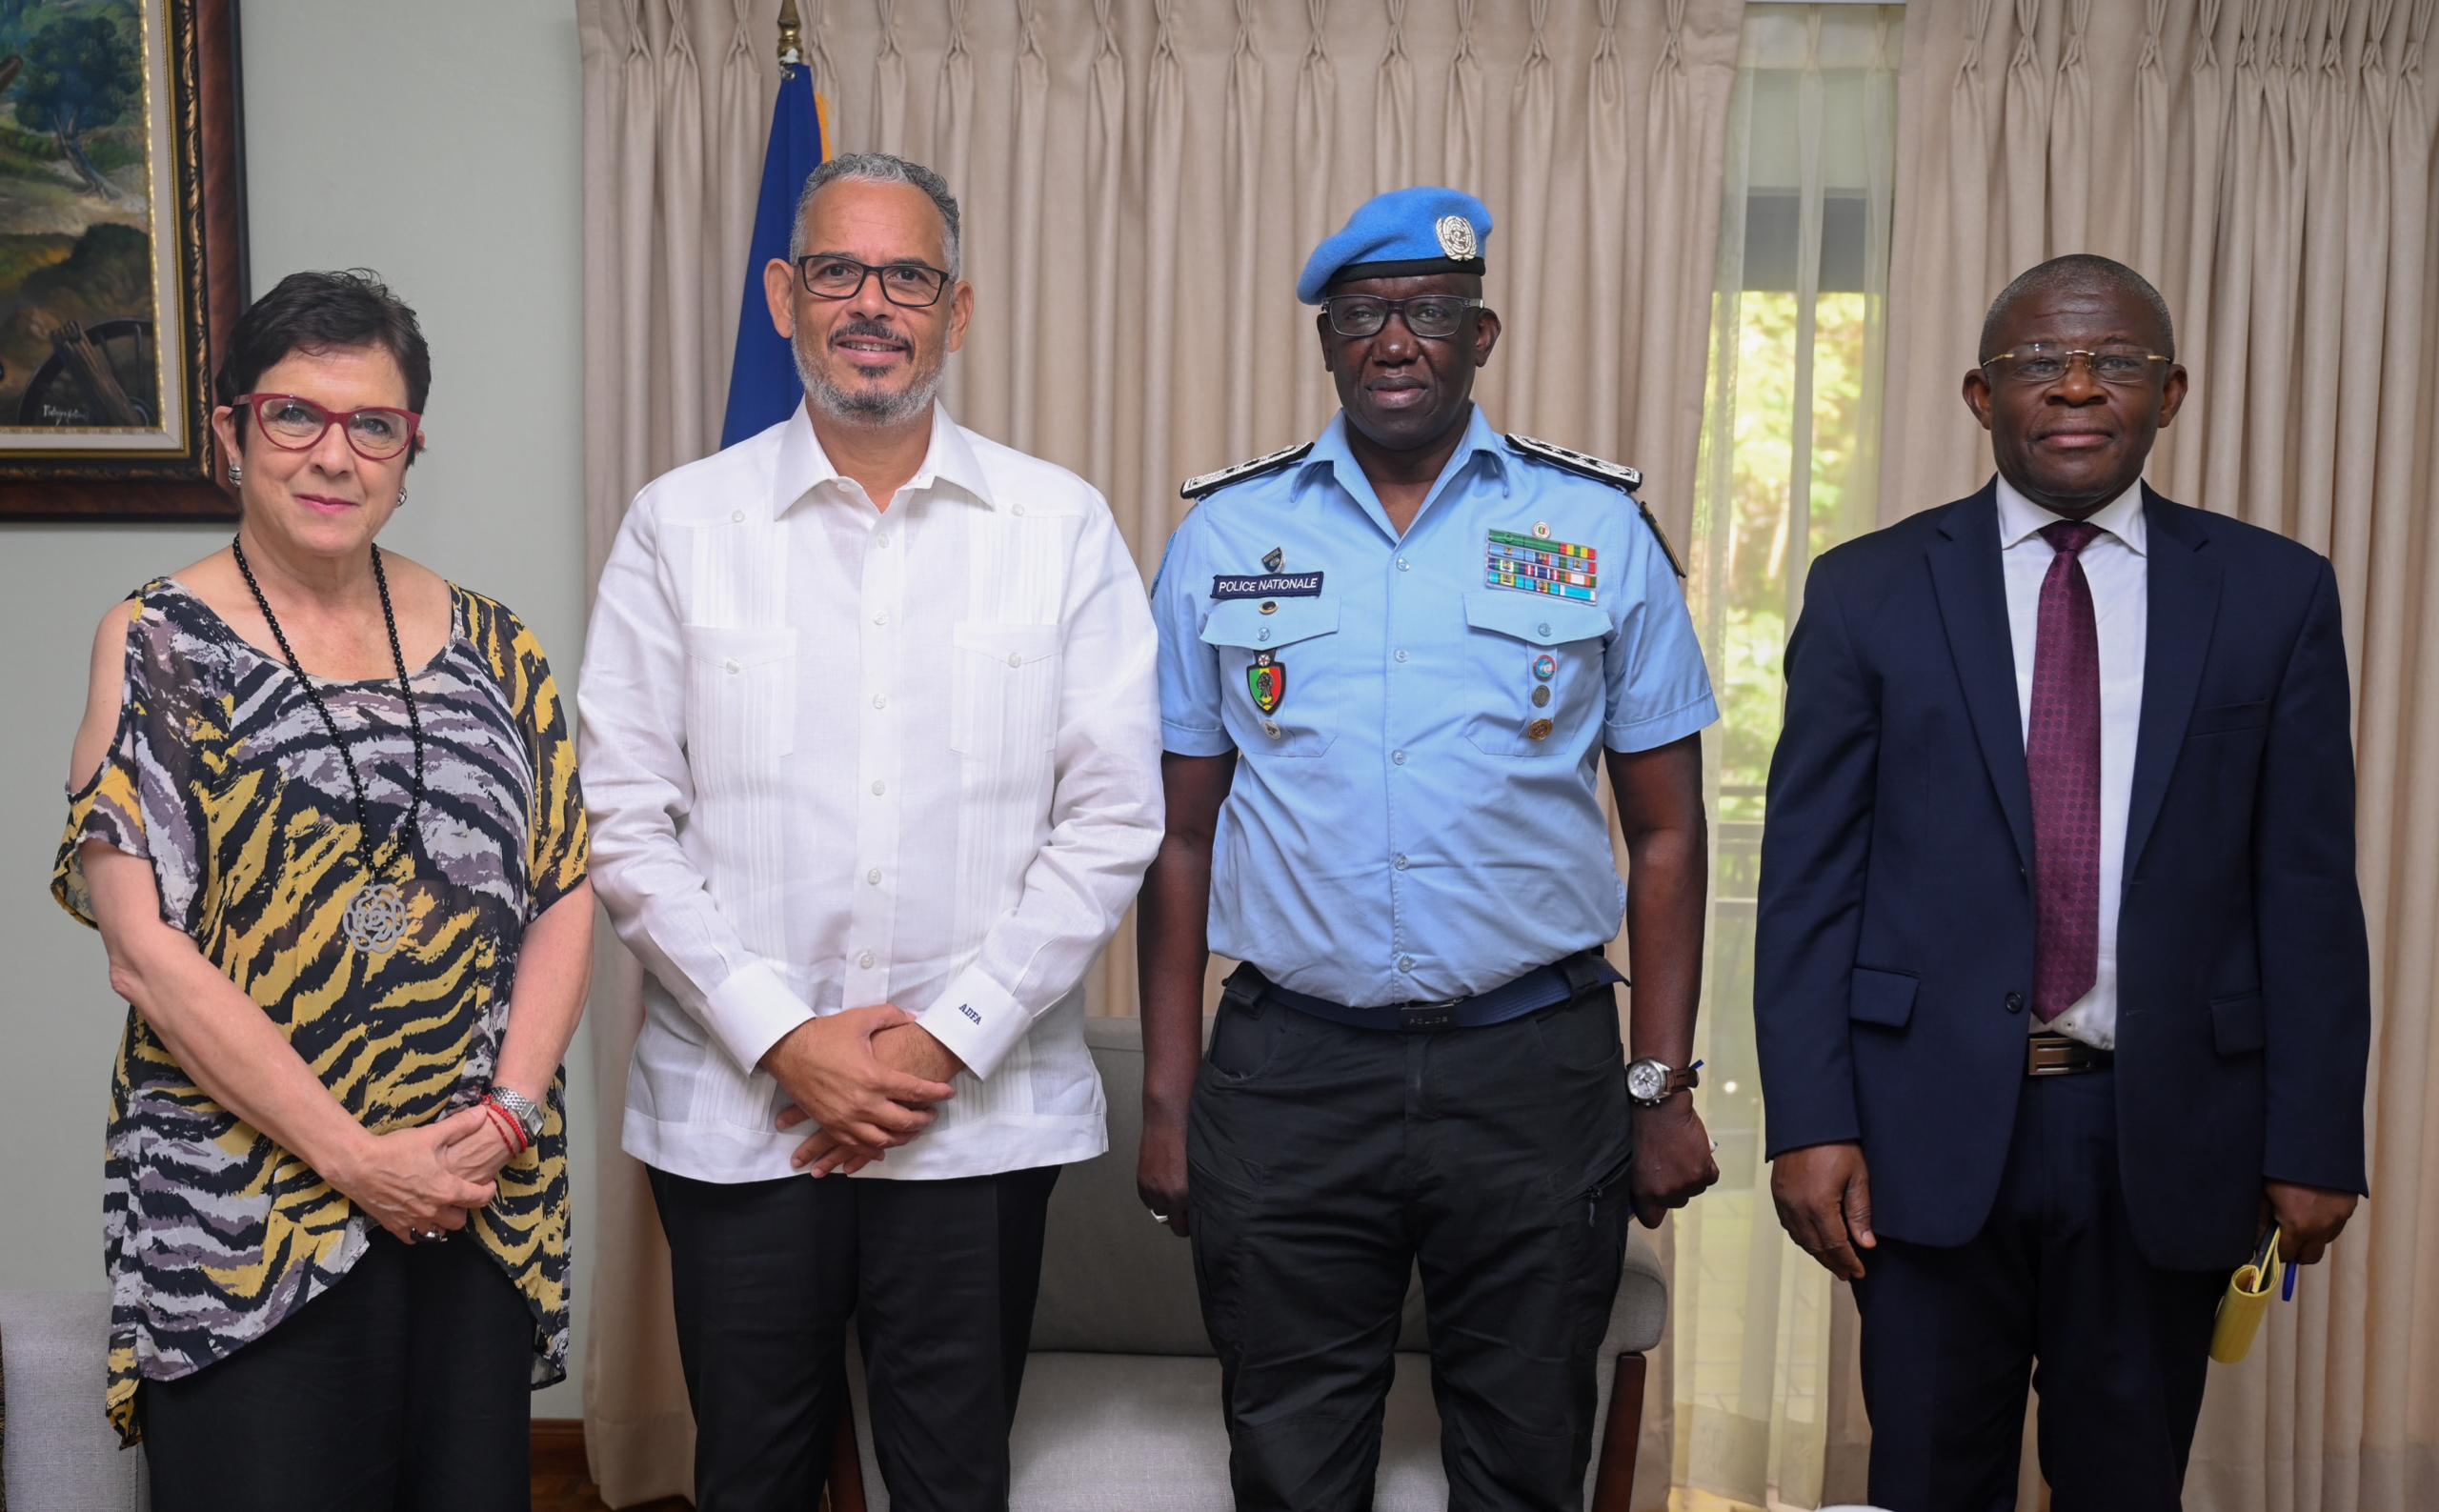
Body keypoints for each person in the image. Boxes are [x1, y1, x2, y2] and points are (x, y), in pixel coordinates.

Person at [579, 151, 1162, 1511]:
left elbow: (1114, 815)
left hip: (976, 1115)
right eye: (839, 271)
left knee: (954, 1482)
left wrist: (940, 1040)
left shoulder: (1059, 526)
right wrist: (787, 1038)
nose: (872, 305)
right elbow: (620, 819)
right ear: (785, 295)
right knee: (756, 1479)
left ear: (956, 312)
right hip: (741, 1115)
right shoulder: (680, 525)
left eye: (909, 276)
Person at [1138, 186, 1721, 1511]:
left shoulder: (1595, 531)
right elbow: (1177, 840)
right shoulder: (1226, 538)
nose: (1395, 340)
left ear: (1483, 334)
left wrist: (1662, 1087)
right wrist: (1171, 1099)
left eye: (1430, 314)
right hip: (1292, 1075)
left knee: (1523, 1464)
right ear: (1329, 342)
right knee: (1290, 1464)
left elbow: (1670, 835)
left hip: (1534, 1069)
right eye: (1363, 316)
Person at [1755, 254, 2369, 1509]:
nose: (2077, 385)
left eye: (2115, 361)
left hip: (2166, 1133)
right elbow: (1809, 881)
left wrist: (2315, 1137)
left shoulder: (2272, 595)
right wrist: (1811, 1122)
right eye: (2040, 362)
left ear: (2172, 391)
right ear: (1984, 396)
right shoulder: (1867, 589)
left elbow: (2308, 890)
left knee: (2127, 1487)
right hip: (1923, 1140)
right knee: (1928, 1482)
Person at [53, 268, 594, 1511]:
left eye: (373, 427)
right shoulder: (154, 642)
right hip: (249, 1219)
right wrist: (358, 1160)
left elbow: (567, 887)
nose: (332, 456)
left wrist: (506, 1115)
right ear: (235, 434)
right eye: (295, 416)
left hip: (471, 1194)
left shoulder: (498, 642)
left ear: (411, 453)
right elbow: (141, 951)